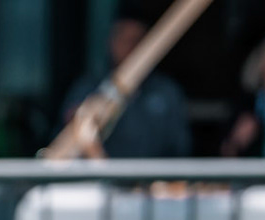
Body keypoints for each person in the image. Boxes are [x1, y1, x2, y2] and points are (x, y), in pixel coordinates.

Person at [60, 5, 191, 160]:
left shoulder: (167, 93)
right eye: (123, 38)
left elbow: (180, 151)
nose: (130, 47)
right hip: (100, 181)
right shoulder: (86, 89)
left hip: (152, 181)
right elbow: (61, 153)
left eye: (136, 40)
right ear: (111, 41)